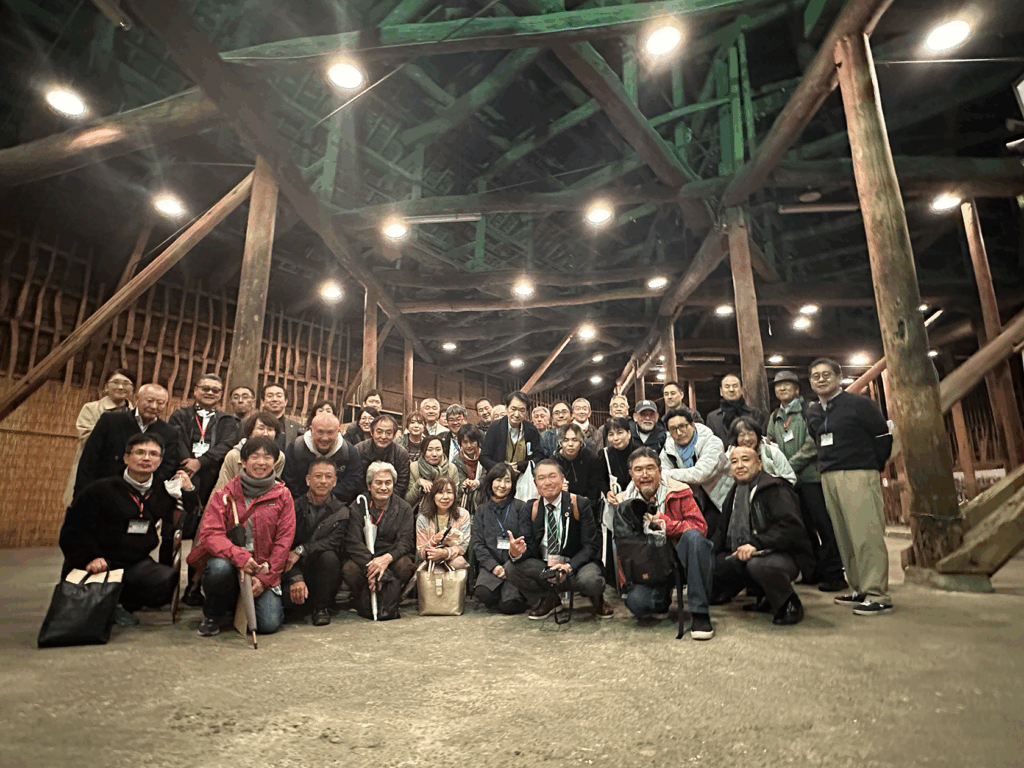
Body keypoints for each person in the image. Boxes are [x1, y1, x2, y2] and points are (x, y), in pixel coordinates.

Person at [59, 433, 198, 626]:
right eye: (140, 452)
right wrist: (89, 557)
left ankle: (119, 600)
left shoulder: (161, 491)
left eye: (153, 454)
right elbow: (73, 531)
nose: (146, 458)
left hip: (134, 563)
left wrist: (189, 490)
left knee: (166, 580)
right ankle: (110, 604)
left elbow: (186, 522)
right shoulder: (100, 490)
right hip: (100, 561)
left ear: (159, 461)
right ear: (126, 458)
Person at [807, 358, 894, 615]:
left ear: (838, 377)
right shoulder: (814, 412)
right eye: (815, 376)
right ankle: (858, 588)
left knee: (865, 534)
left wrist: (873, 464)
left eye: (826, 374)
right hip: (828, 475)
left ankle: (878, 593)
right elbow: (817, 439)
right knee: (844, 536)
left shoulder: (859, 404)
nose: (821, 379)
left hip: (858, 472)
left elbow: (882, 435)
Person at [189, 437, 295, 637]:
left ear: (275, 462)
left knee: (268, 625)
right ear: (243, 462)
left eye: (267, 457)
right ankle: (213, 613)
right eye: (254, 457)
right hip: (231, 561)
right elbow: (210, 534)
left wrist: (264, 579)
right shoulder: (224, 494)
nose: (261, 462)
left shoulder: (283, 496)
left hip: (262, 566)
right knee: (219, 569)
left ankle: (243, 602)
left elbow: (284, 541)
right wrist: (240, 557)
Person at [710, 446, 815, 626]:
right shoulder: (734, 493)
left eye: (745, 460)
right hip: (745, 552)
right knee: (715, 563)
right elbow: (721, 531)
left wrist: (756, 543)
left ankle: (789, 603)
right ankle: (766, 595)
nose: (739, 465)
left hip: (783, 555)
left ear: (759, 464)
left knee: (760, 565)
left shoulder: (775, 488)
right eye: (734, 462)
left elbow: (791, 528)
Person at [616, 447, 715, 638]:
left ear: (660, 471)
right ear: (631, 474)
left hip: (681, 559)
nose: (644, 475)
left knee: (694, 538)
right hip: (649, 565)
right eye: (638, 470)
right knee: (637, 604)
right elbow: (622, 546)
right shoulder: (624, 503)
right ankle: (662, 599)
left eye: (650, 468)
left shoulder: (679, 491)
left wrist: (666, 524)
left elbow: (699, 527)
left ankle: (700, 613)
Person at [503, 459, 612, 619]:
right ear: (535, 483)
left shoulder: (579, 503)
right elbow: (530, 547)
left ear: (562, 479)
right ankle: (549, 599)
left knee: (591, 581)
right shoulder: (530, 508)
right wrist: (516, 552)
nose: (547, 482)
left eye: (552, 476)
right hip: (546, 567)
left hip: (577, 565)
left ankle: (597, 599)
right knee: (512, 568)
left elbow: (591, 546)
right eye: (541, 478)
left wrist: (568, 566)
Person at [767, 371, 845, 591]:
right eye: (778, 386)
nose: (782, 389)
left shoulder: (809, 410)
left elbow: (813, 443)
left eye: (787, 385)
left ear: (797, 389)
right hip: (790, 484)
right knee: (802, 529)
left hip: (812, 478)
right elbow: (770, 443)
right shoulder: (774, 417)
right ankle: (811, 572)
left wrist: (788, 465)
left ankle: (834, 574)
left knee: (824, 525)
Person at [75, 383, 179, 496]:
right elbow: (89, 459)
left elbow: (167, 466)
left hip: (143, 495)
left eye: (160, 403)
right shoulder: (110, 421)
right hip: (104, 490)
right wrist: (80, 494)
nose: (154, 406)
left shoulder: (169, 432)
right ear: (137, 399)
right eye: (149, 400)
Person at [342, 461, 416, 620]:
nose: (383, 487)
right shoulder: (358, 505)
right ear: (369, 485)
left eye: (388, 483)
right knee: (349, 568)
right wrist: (372, 565)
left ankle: (392, 595)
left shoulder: (404, 508)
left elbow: (405, 542)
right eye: (378, 482)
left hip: (390, 556)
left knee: (405, 565)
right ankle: (362, 598)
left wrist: (387, 559)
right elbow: (352, 542)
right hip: (366, 558)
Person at [282, 458, 348, 627]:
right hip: (294, 570)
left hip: (323, 573)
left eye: (328, 477)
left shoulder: (341, 510)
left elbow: (335, 542)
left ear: (334, 482)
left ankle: (322, 608)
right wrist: (296, 577)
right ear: (308, 479)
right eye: (318, 476)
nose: (323, 481)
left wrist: (302, 549)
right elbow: (285, 546)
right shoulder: (293, 507)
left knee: (329, 556)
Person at [62, 369, 134, 508]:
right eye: (116, 382)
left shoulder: (135, 413)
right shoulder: (91, 409)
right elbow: (87, 437)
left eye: (126, 383)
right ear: (106, 386)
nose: (120, 387)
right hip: (92, 469)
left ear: (132, 389)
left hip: (124, 474)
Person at [168, 374, 241, 504]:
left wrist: (200, 462)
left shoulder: (228, 421)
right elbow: (176, 439)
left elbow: (227, 444)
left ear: (221, 394)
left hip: (214, 474)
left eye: (215, 390)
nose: (210, 392)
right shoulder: (180, 415)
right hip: (183, 470)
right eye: (205, 388)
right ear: (195, 390)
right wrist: (188, 464)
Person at [660, 407, 731, 536]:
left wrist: (666, 474)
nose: (679, 432)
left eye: (683, 426)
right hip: (694, 502)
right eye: (673, 429)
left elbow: (700, 474)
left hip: (720, 499)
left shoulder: (712, 442)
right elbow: (661, 472)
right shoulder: (668, 448)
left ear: (692, 425)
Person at [471, 463, 530, 614]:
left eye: (507, 481)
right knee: (483, 594)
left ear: (513, 484)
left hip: (514, 565)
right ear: (491, 482)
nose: (502, 485)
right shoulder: (482, 510)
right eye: (498, 480)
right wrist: (494, 567)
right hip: (492, 565)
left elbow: (526, 539)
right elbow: (478, 544)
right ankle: (502, 594)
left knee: (509, 607)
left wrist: (511, 563)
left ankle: (510, 596)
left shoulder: (520, 507)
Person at [282, 413, 361, 504]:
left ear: (339, 431)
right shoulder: (296, 448)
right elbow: (289, 480)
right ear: (311, 430)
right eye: (320, 432)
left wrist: (325, 497)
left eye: (330, 432)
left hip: (337, 506)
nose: (324, 438)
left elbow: (353, 482)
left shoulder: (348, 452)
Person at [214, 412, 285, 492]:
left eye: (270, 429)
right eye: (261, 428)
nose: (266, 434)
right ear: (250, 432)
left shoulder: (279, 457)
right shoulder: (234, 455)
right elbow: (222, 488)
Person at [480, 391, 544, 473]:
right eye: (513, 409)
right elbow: (484, 456)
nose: (517, 414)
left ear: (526, 412)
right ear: (506, 408)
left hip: (524, 477)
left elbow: (539, 455)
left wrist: (524, 465)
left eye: (522, 410)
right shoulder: (495, 427)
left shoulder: (531, 430)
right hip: (499, 477)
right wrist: (501, 469)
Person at [416, 476, 471, 571]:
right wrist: (434, 540)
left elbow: (463, 546)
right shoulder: (423, 518)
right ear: (433, 496)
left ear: (454, 495)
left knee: (459, 563)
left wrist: (445, 553)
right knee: (436, 572)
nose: (445, 497)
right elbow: (421, 551)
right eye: (440, 492)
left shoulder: (463, 515)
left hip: (453, 557)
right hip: (431, 559)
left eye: (449, 492)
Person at [354, 413, 410, 499]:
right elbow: (356, 481)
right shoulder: (359, 450)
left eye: (388, 433)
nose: (383, 437)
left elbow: (401, 485)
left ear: (394, 435)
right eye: (379, 432)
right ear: (371, 432)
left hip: (391, 499)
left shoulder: (401, 454)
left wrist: (384, 500)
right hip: (362, 497)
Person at [725, 416, 796, 484]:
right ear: (735, 439)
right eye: (742, 435)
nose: (747, 438)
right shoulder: (729, 458)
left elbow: (790, 479)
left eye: (750, 434)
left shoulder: (772, 453)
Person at [554, 422, 607, 510]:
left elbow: (594, 491)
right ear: (560, 443)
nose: (570, 444)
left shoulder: (591, 458)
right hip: (562, 506)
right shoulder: (554, 461)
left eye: (574, 440)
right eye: (566, 440)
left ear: (581, 442)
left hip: (588, 506)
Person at [706, 374, 767, 444]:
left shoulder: (755, 414)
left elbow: (761, 440)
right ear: (721, 391)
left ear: (742, 390)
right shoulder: (712, 418)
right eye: (727, 387)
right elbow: (710, 443)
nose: (731, 390)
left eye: (735, 386)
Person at [406, 435, 459, 510]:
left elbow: (456, 497)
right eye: (430, 450)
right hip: (420, 512)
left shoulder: (451, 468)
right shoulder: (414, 467)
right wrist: (418, 484)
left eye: (438, 449)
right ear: (423, 451)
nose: (434, 454)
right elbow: (408, 500)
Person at [600, 416, 640, 500]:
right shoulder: (604, 454)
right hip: (616, 500)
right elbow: (601, 478)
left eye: (620, 433)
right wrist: (607, 492)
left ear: (628, 434)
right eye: (611, 434)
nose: (615, 438)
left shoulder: (640, 452)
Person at [261, 382, 306, 449]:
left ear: (286, 401)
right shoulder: (250, 424)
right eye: (270, 396)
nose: (274, 399)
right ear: (263, 402)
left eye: (279, 396)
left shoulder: (297, 428)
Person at [452, 424, 484, 513]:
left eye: (472, 441)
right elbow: (456, 483)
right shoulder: (456, 461)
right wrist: (464, 484)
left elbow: (488, 475)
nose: (469, 445)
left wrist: (478, 483)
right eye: (465, 442)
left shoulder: (485, 456)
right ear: (460, 443)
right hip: (465, 504)